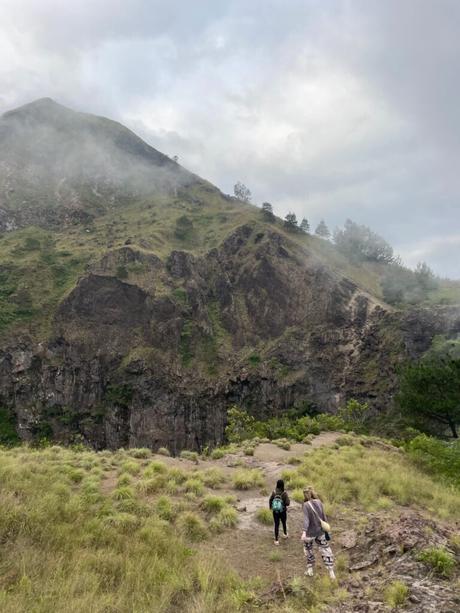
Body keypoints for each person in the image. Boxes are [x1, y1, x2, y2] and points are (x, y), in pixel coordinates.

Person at [301, 486, 336, 580]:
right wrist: (326, 529)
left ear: (304, 495)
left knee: (308, 550)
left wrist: (304, 532)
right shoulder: (319, 502)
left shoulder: (306, 505)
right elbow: (323, 516)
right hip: (320, 531)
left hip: (310, 533)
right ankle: (331, 572)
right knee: (325, 549)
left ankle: (310, 570)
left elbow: (306, 520)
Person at [269, 479, 290, 545]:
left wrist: (271, 507)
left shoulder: (274, 492)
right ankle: (285, 534)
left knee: (276, 524)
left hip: (275, 511)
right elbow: (288, 503)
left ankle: (276, 540)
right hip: (283, 511)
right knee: (283, 522)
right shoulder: (284, 493)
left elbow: (270, 500)